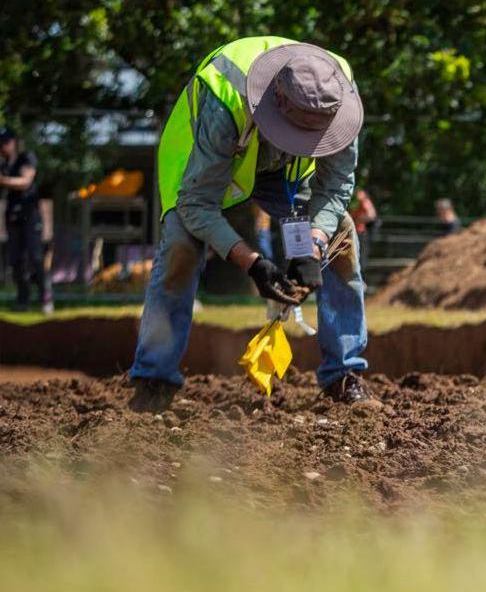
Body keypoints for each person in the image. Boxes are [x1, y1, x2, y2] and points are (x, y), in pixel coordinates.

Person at [127, 37, 374, 413]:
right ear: (274, 104)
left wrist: (314, 243)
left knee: (342, 235)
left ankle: (344, 374)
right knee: (182, 245)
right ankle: (153, 380)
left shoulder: (338, 92)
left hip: (283, 173)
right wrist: (253, 262)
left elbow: (337, 186)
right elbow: (197, 203)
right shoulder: (224, 95)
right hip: (201, 160)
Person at [0, 127, 51, 312]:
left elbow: (25, 181)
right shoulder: (4, 164)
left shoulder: (26, 158)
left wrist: (3, 180)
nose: (3, 146)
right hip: (13, 216)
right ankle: (23, 300)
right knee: (16, 260)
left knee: (36, 257)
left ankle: (45, 297)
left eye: (6, 141)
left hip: (30, 215)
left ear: (14, 141)